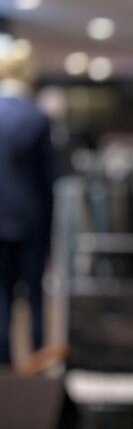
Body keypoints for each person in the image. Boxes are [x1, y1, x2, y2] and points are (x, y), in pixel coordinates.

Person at [0, 44, 55, 365]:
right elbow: (47, 182)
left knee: (2, 297)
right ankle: (37, 366)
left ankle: (4, 368)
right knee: (34, 296)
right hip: (31, 221)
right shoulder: (37, 118)